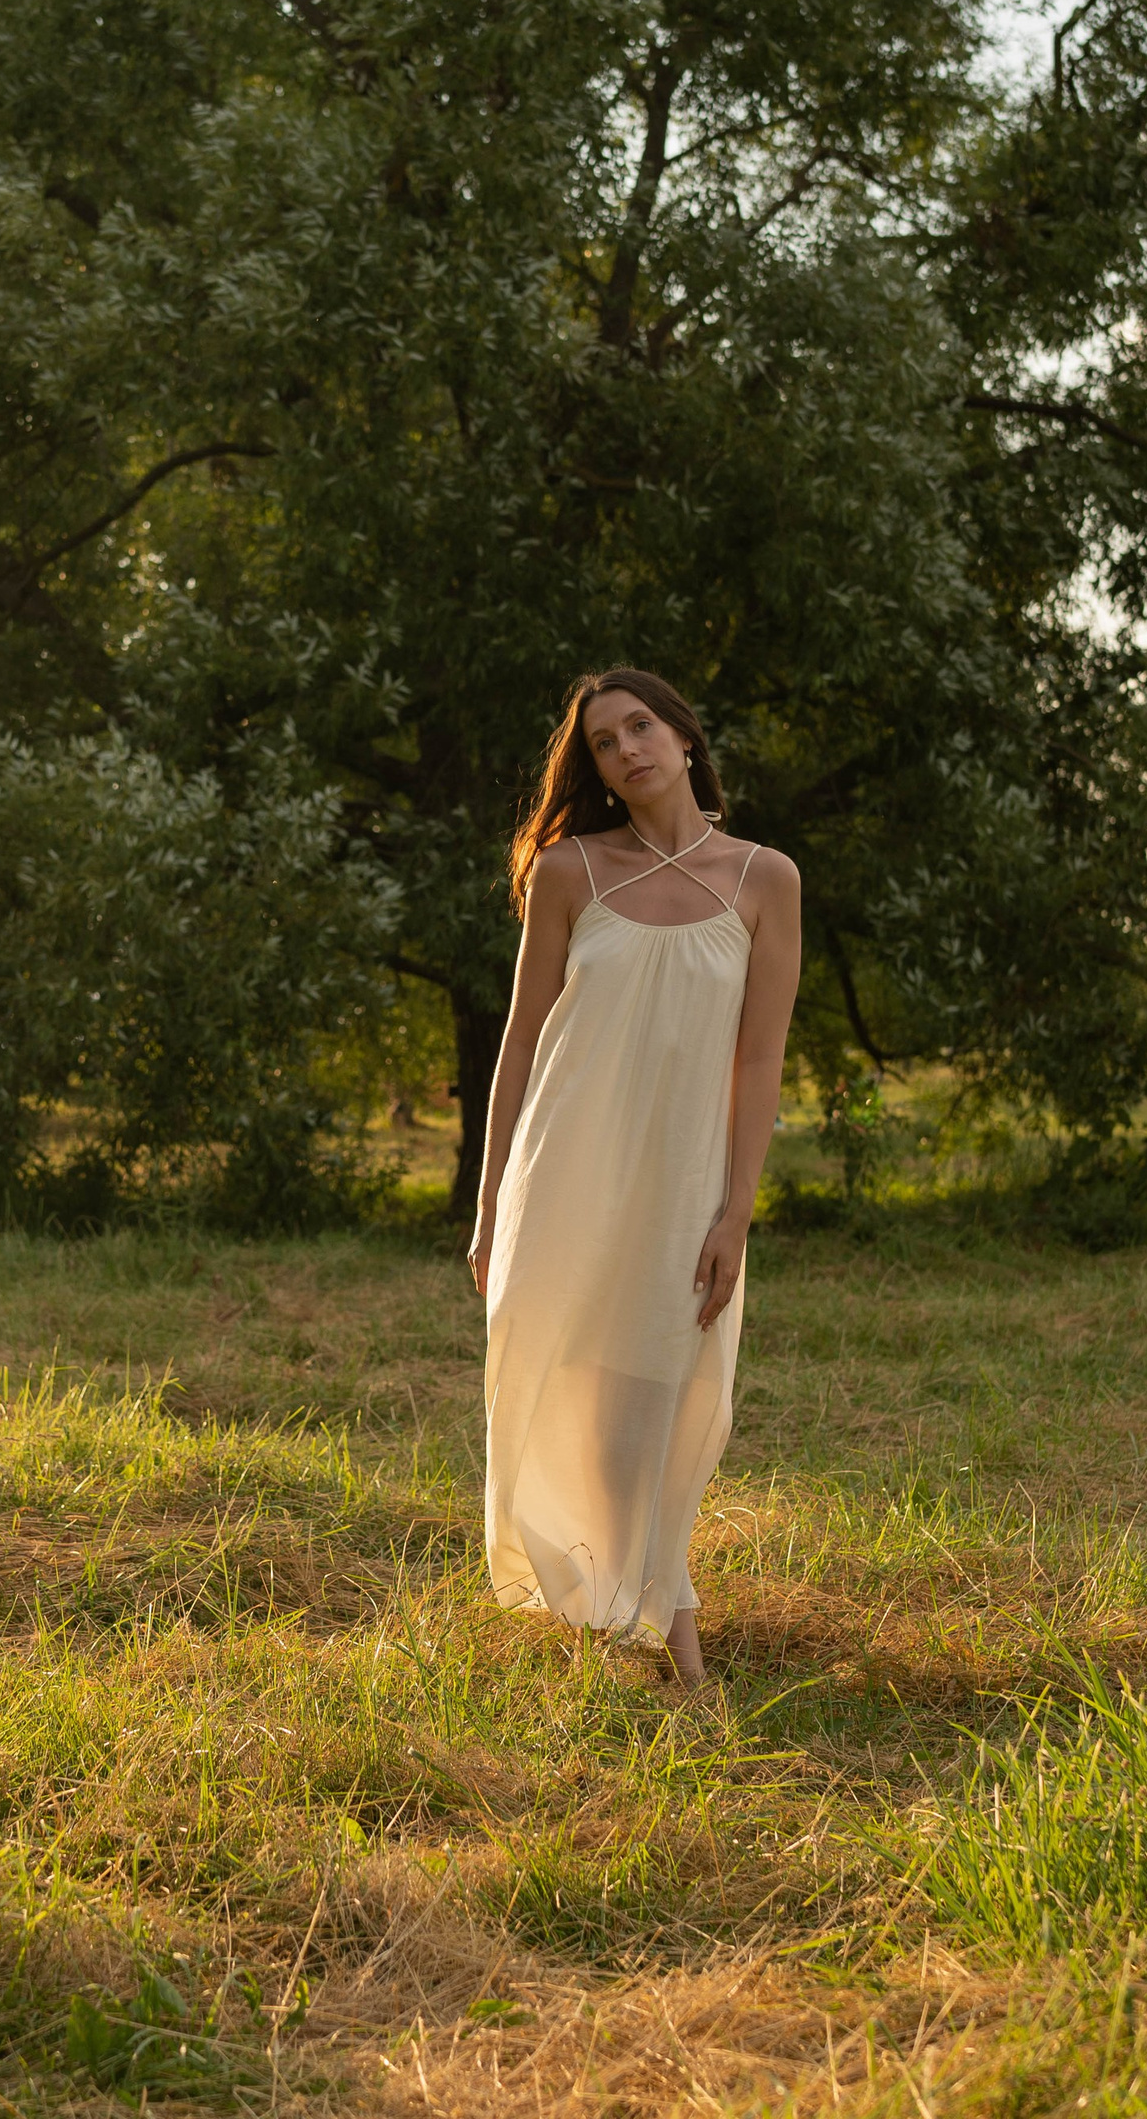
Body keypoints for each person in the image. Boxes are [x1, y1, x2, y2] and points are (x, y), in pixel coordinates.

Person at [469, 670, 800, 1687]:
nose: (626, 750)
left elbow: (757, 1060)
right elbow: (521, 1041)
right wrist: (490, 1206)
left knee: (654, 1407)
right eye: (605, 743)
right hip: (564, 1177)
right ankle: (659, 1644)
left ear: (686, 738)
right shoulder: (570, 873)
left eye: (640, 726)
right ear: (599, 772)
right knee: (589, 1405)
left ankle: (641, 1622)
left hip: (682, 1187)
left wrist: (735, 1211)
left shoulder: (762, 879)